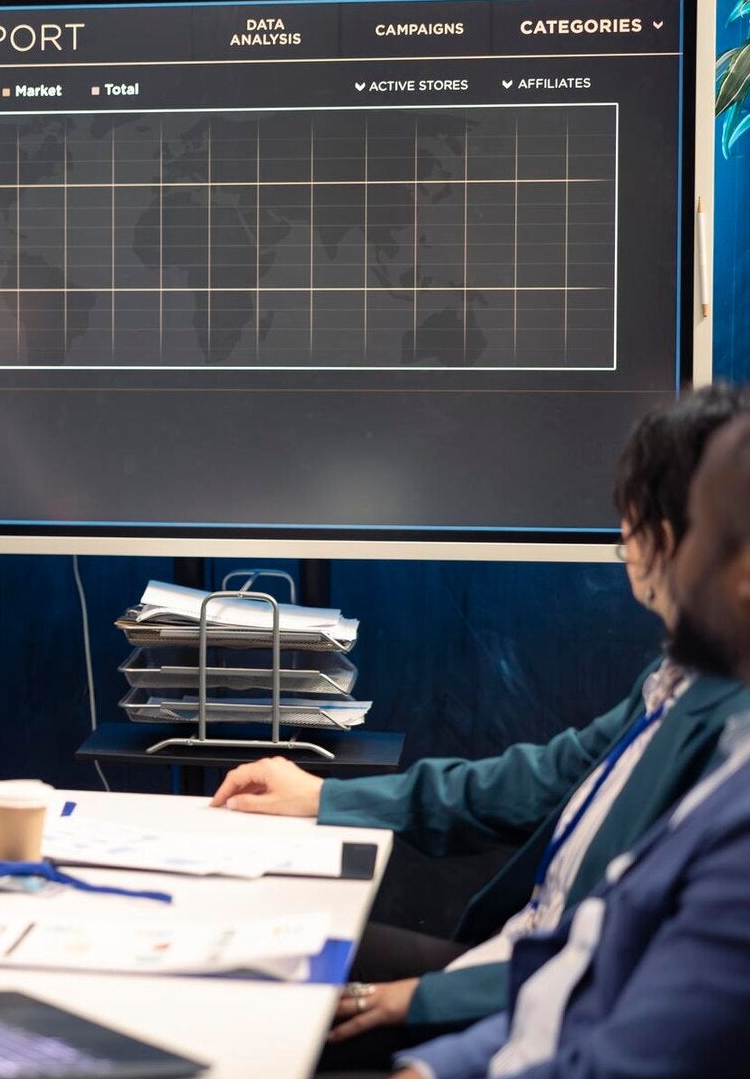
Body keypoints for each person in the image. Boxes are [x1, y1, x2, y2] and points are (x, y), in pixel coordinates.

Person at [209, 385, 750, 1068]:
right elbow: (537, 781)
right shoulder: (672, 681)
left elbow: (605, 977)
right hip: (513, 976)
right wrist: (327, 799)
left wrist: (426, 1002)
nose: (623, 542)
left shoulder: (727, 741)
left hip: (515, 997)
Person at [386, 412, 750, 1079]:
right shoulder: (672, 685)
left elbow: (617, 1028)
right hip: (513, 1009)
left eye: (700, 533)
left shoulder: (731, 777)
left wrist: (427, 1036)